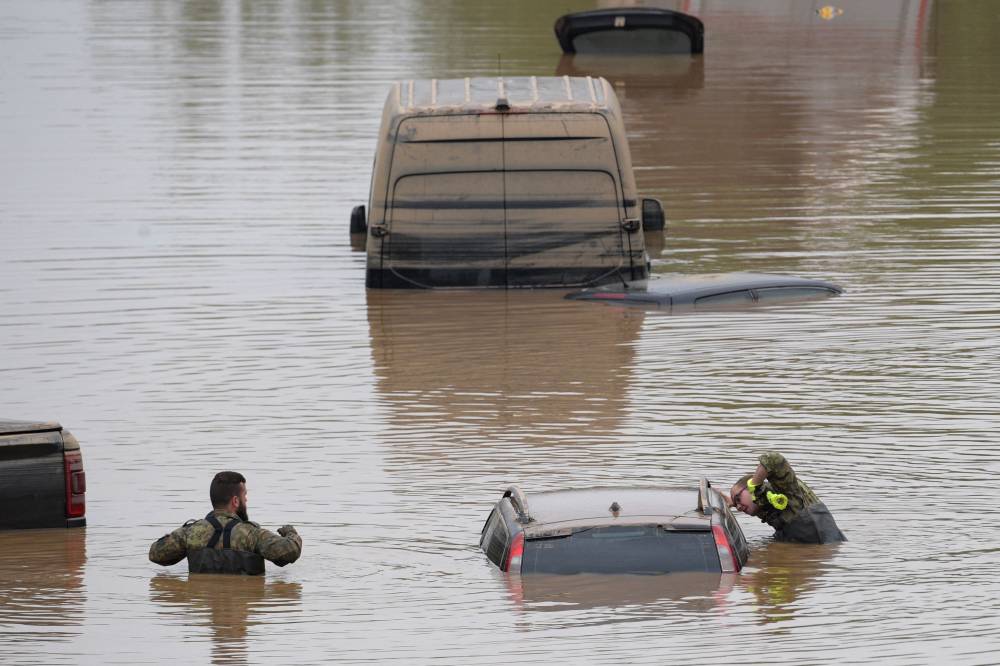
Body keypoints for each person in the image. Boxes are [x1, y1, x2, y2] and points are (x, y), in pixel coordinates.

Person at [149, 471, 302, 575]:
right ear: (235, 501)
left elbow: (156, 554)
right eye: (245, 496)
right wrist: (290, 533)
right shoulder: (251, 534)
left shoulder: (191, 532)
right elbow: (290, 551)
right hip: (244, 599)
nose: (246, 500)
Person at [729, 451, 846, 544]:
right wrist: (731, 503)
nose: (738, 507)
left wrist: (754, 485)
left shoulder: (786, 492)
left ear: (748, 488)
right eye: (736, 504)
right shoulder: (763, 504)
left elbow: (772, 459)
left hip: (827, 545)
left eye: (738, 499)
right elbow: (754, 503)